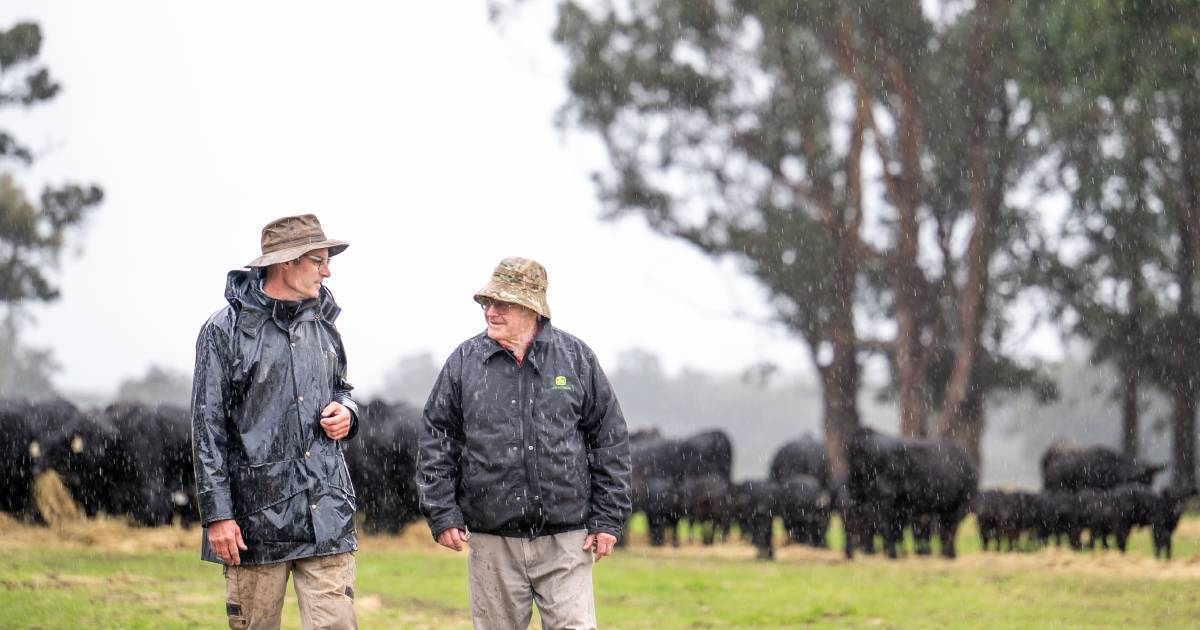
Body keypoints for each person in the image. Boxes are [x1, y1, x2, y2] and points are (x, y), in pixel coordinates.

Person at [418, 256, 632, 630]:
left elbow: (609, 440)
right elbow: (437, 438)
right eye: (488, 302)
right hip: (491, 538)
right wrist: (442, 513)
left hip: (568, 538)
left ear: (532, 308)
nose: (491, 311)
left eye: (503, 303)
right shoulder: (464, 362)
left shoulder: (576, 358)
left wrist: (608, 519)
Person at [191, 214, 360, 630]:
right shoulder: (223, 330)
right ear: (287, 263)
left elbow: (342, 388)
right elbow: (207, 427)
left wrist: (347, 413)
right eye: (318, 260)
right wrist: (218, 516)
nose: (328, 270)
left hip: (326, 512)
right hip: (255, 522)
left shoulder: (324, 324)